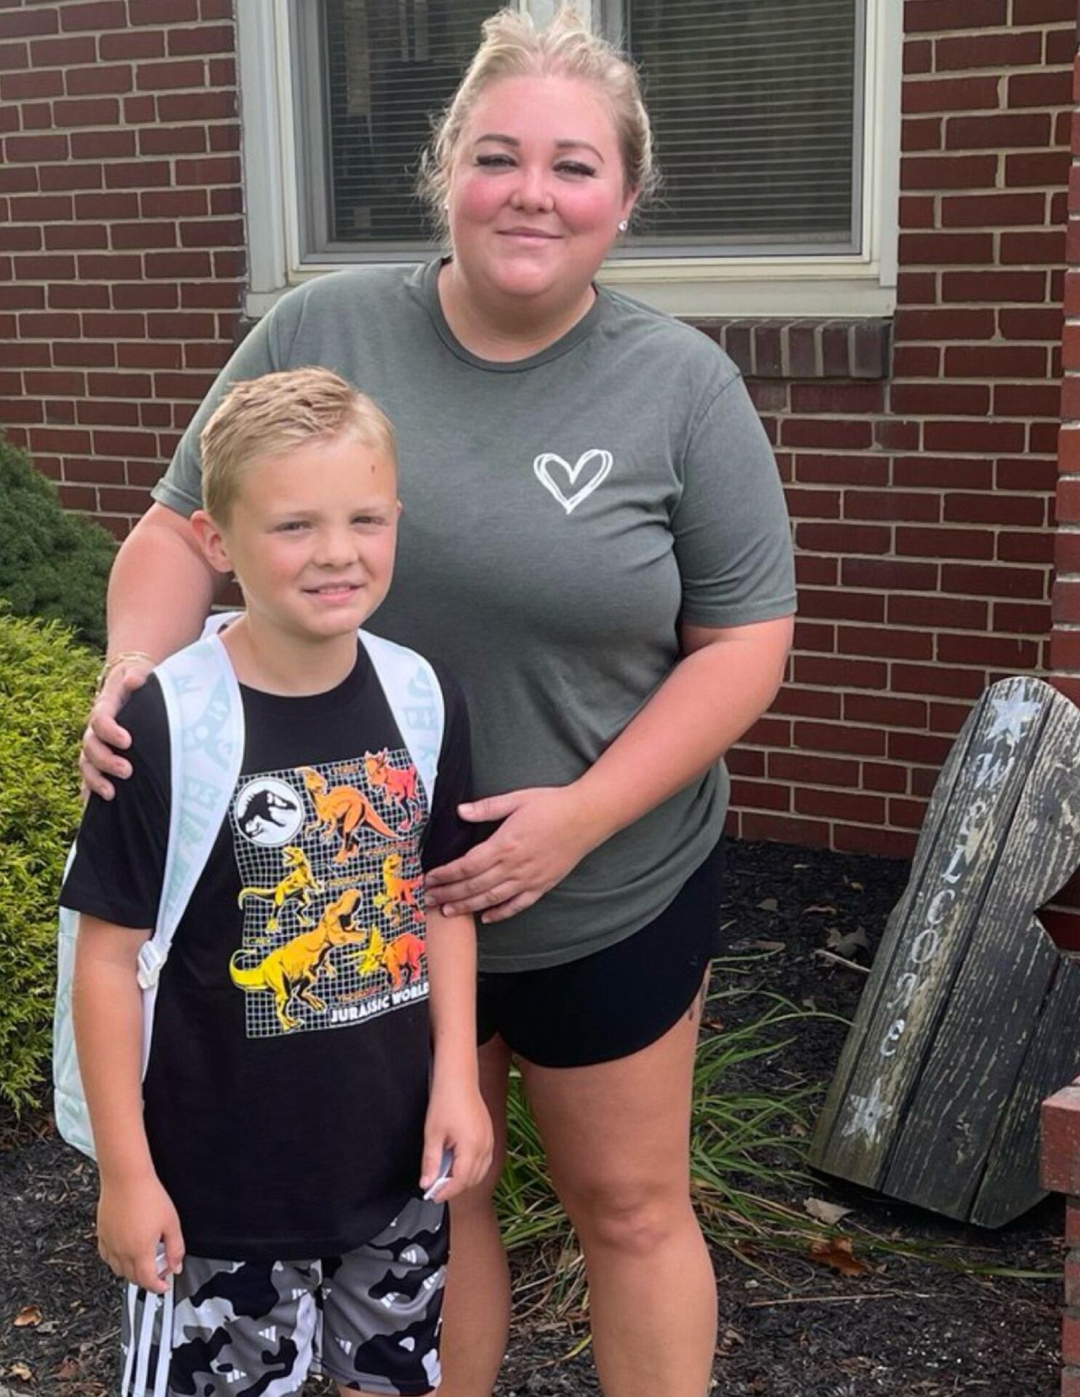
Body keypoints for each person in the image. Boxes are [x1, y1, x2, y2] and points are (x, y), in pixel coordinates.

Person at [80, 8, 796, 1395]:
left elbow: (745, 642)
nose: (534, 191)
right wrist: (135, 670)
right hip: (359, 897)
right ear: (443, 172)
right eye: (498, 155)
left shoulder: (684, 387)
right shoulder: (328, 323)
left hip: (612, 887)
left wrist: (579, 818)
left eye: (575, 166)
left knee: (634, 1209)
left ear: (626, 199)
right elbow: (182, 530)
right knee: (434, 1205)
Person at [62, 368, 493, 1397]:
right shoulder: (165, 724)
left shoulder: (424, 696)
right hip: (217, 1198)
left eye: (364, 518)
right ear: (217, 541)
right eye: (294, 524)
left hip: (392, 1182)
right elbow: (109, 959)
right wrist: (127, 1174)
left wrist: (456, 1078)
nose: (337, 552)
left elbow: (439, 900)